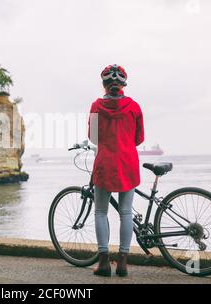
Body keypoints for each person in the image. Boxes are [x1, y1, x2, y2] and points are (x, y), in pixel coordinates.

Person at [88, 64, 144, 277]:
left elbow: (93, 138)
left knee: (101, 212)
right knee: (126, 212)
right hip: (128, 163)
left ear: (104, 84)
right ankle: (122, 263)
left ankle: (103, 263)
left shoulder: (96, 106)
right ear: (123, 84)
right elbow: (139, 138)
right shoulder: (134, 107)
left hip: (105, 164)